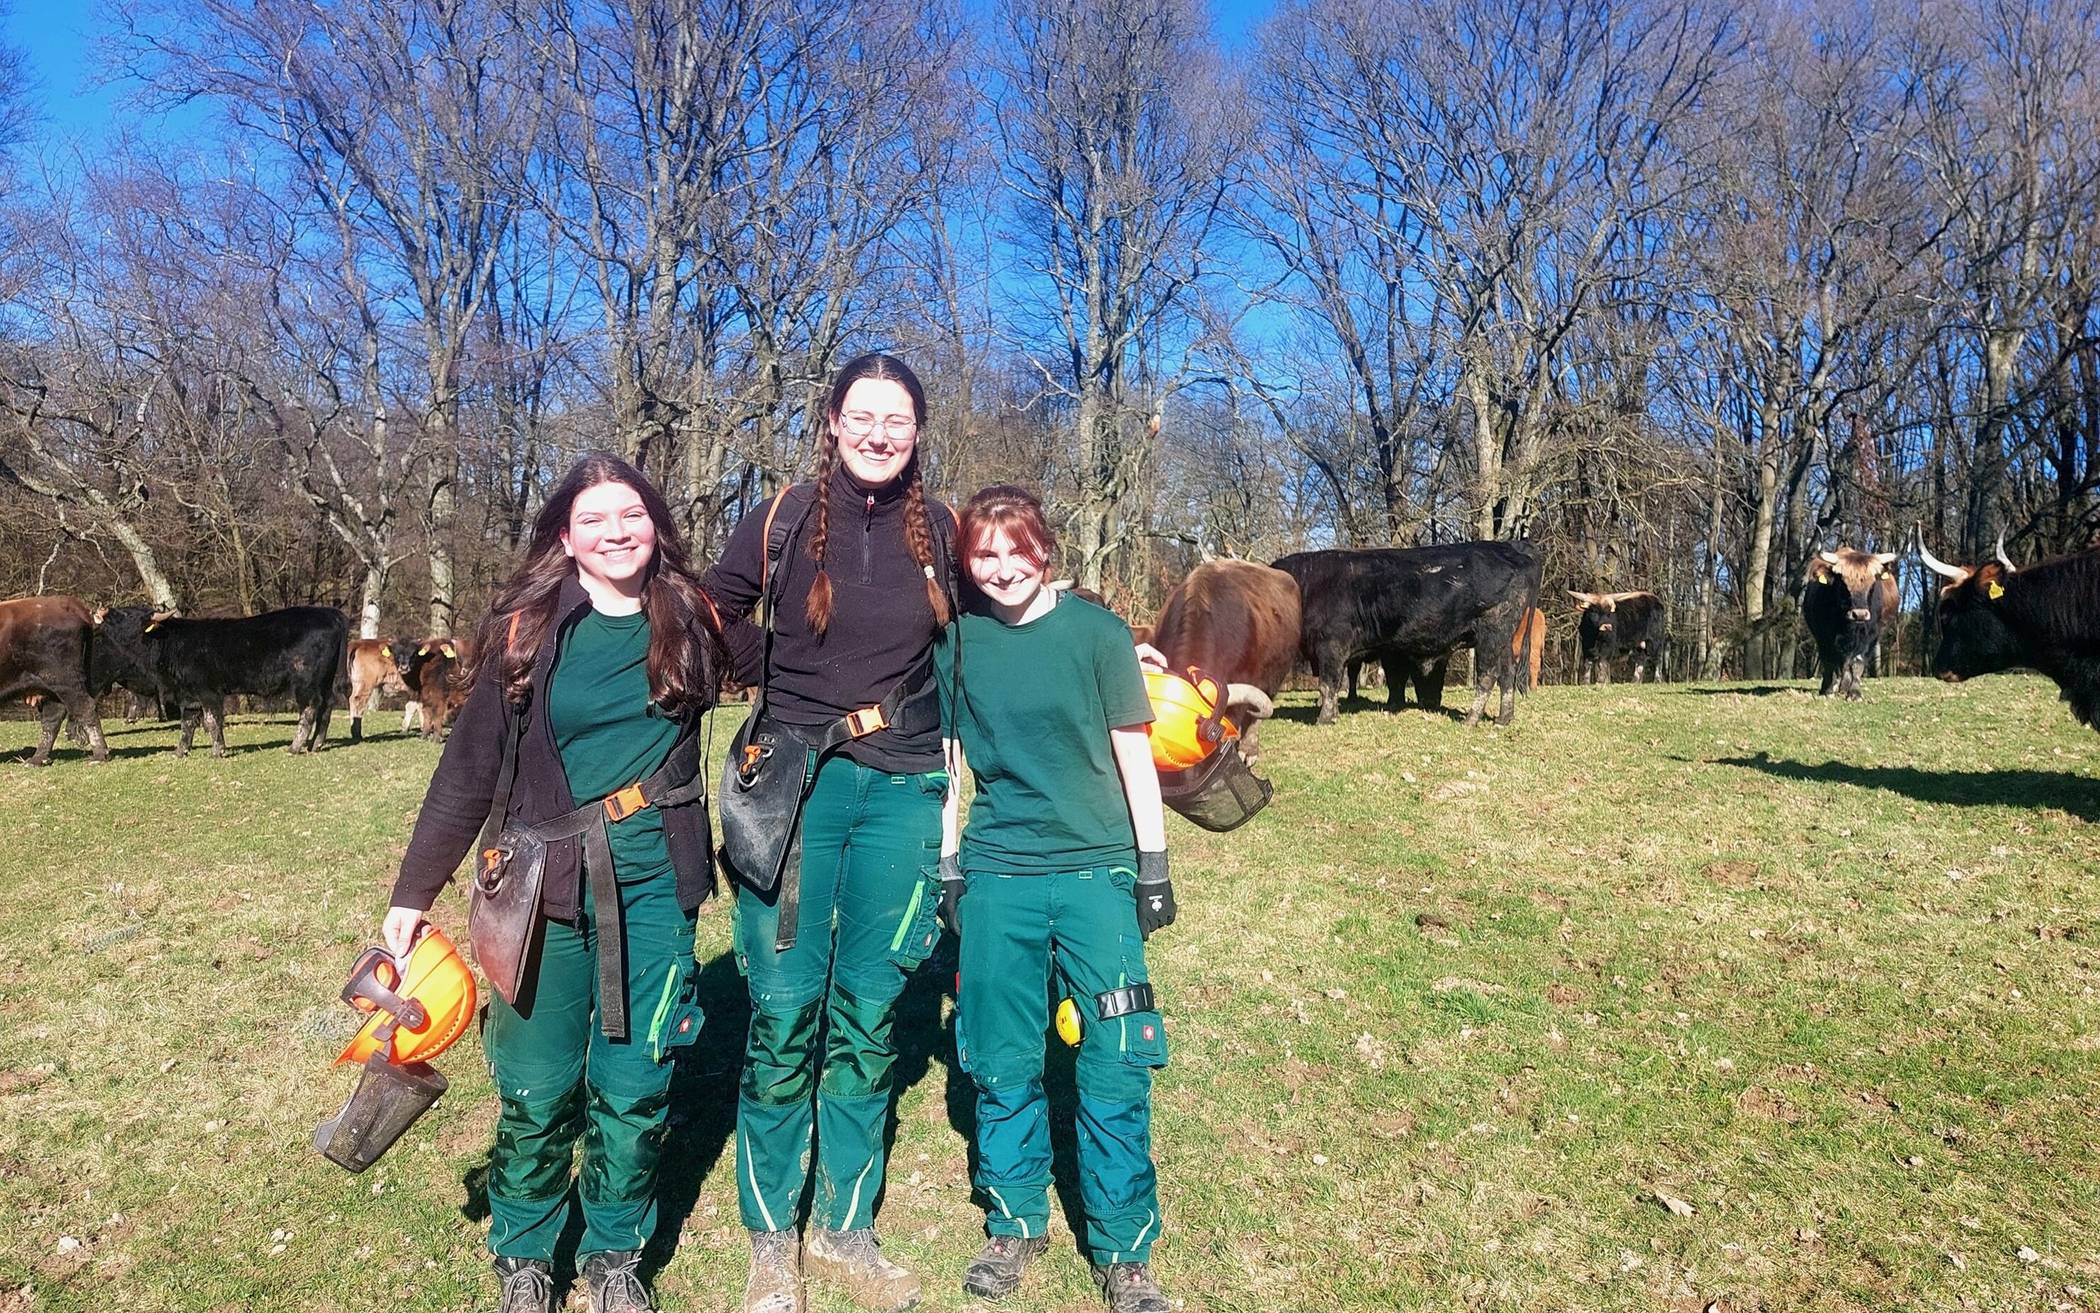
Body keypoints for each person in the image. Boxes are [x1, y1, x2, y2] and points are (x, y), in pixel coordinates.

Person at [382, 453, 721, 1313]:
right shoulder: (527, 628)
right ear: (566, 536)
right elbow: (469, 768)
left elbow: (811, 648)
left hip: (656, 887)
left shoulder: (692, 615)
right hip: (541, 888)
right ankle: (525, 1254)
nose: (617, 532)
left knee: (636, 1087)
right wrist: (412, 894)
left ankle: (615, 1256)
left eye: (632, 514)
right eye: (594, 518)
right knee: (535, 1089)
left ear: (657, 525)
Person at [698, 352, 958, 1313]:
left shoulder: (944, 533)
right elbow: (710, 607)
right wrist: (768, 670)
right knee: (781, 1015)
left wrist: (1106, 656)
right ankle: (773, 1242)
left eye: (898, 419)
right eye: (863, 415)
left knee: (868, 1014)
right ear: (834, 423)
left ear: (917, 432)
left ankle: (846, 1225)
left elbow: (995, 633)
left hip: (902, 790)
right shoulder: (781, 518)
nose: (879, 433)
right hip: (793, 789)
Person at [932, 485, 1178, 1313]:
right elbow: (950, 762)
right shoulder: (958, 644)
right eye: (985, 554)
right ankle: (1014, 1221)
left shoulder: (1098, 635)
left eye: (1019, 550)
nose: (1003, 568)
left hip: (1095, 870)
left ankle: (1124, 1247)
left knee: (1116, 1054)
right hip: (998, 872)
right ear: (967, 561)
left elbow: (1133, 754)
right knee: (1001, 1053)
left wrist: (1153, 865)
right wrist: (949, 864)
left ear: (1047, 550)